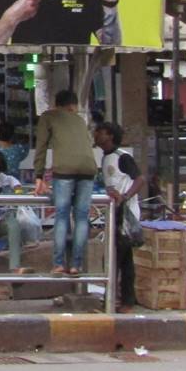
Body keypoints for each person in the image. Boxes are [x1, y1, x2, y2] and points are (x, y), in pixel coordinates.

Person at [33, 89, 98, 276]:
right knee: (81, 217)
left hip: (64, 170)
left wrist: (39, 175)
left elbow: (41, 147)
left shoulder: (48, 117)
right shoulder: (80, 120)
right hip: (88, 170)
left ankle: (59, 263)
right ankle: (77, 265)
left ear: (56, 104)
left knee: (62, 215)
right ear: (73, 106)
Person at [94, 121, 147, 311]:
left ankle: (120, 300)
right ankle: (123, 299)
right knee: (121, 258)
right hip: (114, 212)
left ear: (109, 135)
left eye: (100, 131)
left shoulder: (122, 157)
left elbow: (140, 179)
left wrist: (125, 197)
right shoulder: (106, 157)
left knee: (118, 257)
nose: (96, 134)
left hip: (126, 214)